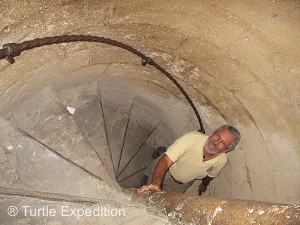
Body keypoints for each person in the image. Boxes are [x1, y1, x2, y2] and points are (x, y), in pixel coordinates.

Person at [137, 125, 240, 195]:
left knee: (164, 202)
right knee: (146, 185)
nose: (216, 142)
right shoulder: (192, 138)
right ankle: (144, 182)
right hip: (165, 170)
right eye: (218, 136)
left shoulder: (221, 161)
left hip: (179, 186)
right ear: (213, 132)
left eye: (223, 143)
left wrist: (204, 184)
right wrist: (155, 183)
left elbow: (210, 175)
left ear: (226, 150)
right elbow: (166, 160)